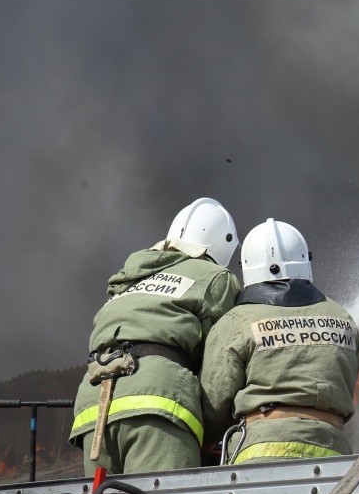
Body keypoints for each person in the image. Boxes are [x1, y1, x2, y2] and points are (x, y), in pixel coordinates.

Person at [70, 198, 241, 475]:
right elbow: (222, 359)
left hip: (94, 404)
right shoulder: (215, 277)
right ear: (224, 244)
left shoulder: (130, 278)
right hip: (158, 402)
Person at [200, 219, 359, 464]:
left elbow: (213, 409)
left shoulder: (235, 322)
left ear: (247, 267)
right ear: (305, 260)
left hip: (259, 454)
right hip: (333, 454)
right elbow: (344, 385)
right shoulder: (342, 317)